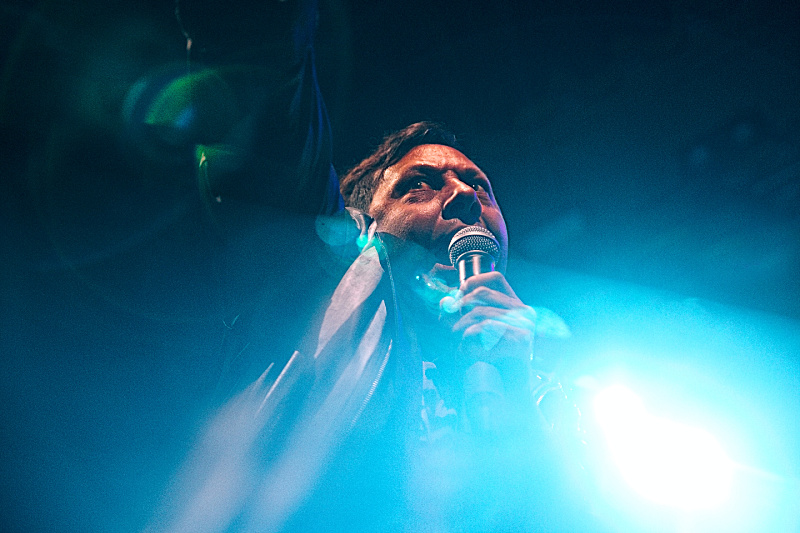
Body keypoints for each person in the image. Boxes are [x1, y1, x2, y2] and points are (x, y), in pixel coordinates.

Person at [145, 122, 591, 533]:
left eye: (480, 187)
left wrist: (515, 393)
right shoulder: (315, 275)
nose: (464, 195)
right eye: (418, 185)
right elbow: (281, 125)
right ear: (364, 219)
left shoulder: (550, 401)